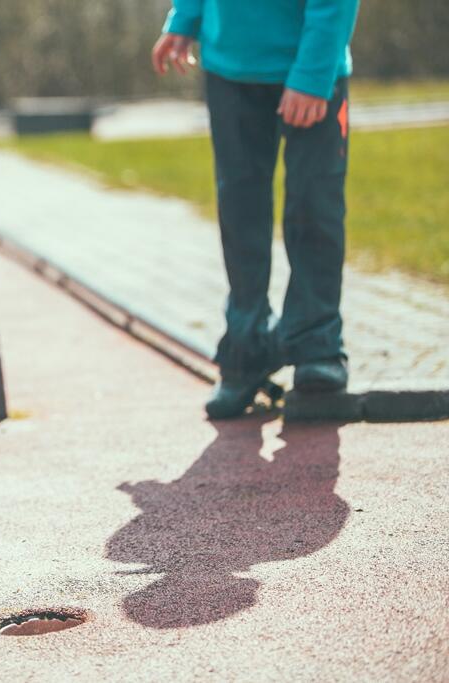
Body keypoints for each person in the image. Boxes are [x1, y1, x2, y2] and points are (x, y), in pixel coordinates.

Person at [152, 0, 360, 418]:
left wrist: (313, 75)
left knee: (313, 204)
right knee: (240, 211)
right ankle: (246, 348)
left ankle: (317, 342)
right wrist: (186, 19)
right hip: (230, 68)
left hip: (311, 65)